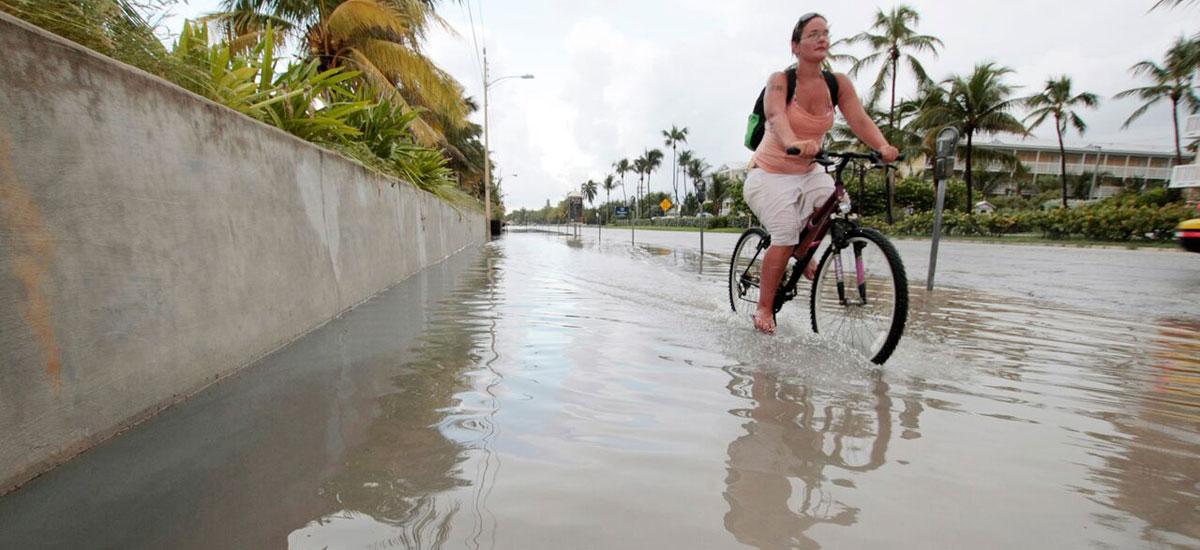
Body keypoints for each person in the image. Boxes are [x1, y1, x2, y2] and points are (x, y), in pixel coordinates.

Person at [744, 12, 899, 334]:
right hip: (768, 173)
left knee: (839, 204)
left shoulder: (837, 83)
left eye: (825, 33)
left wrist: (883, 146)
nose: (821, 38)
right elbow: (775, 116)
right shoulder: (781, 80)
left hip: (809, 169)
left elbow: (859, 119)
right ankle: (763, 308)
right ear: (795, 45)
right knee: (785, 231)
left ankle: (803, 253)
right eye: (813, 34)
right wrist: (793, 142)